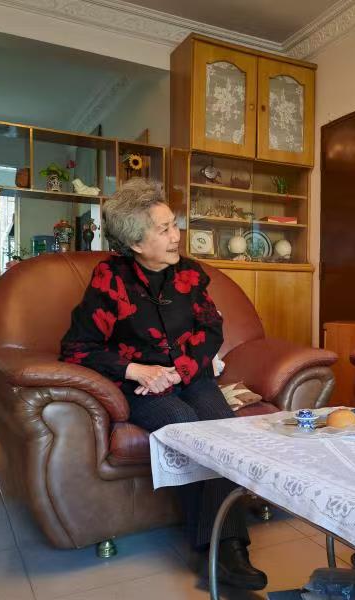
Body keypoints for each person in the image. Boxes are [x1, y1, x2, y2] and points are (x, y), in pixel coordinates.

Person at [60, 178, 266, 590]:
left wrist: (179, 370)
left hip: (190, 375)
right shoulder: (110, 279)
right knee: (184, 426)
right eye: (165, 229)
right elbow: (76, 348)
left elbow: (211, 329)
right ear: (136, 243)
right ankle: (217, 551)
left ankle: (230, 548)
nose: (177, 236)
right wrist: (137, 371)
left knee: (222, 432)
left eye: (175, 225)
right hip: (141, 388)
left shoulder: (190, 273)